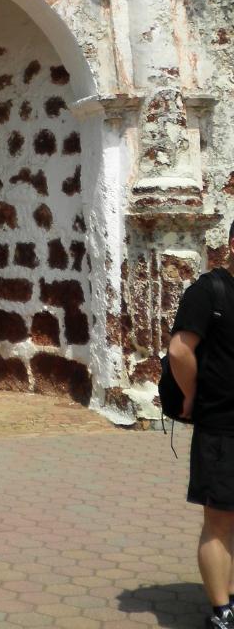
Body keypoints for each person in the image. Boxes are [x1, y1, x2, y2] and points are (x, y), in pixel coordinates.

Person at [169, 221, 234, 628]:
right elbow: (179, 350)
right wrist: (191, 395)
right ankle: (222, 611)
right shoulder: (209, 291)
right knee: (220, 520)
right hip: (222, 425)